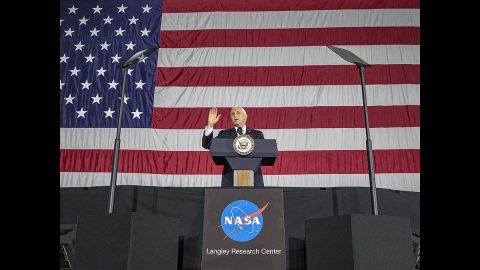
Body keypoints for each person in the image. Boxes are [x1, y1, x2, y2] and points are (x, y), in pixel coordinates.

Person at [202, 107, 265, 187]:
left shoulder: (257, 135)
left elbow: (263, 152)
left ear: (245, 116)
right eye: (232, 114)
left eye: (238, 113)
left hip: (254, 179)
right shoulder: (224, 134)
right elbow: (208, 144)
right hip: (230, 179)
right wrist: (210, 125)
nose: (235, 115)